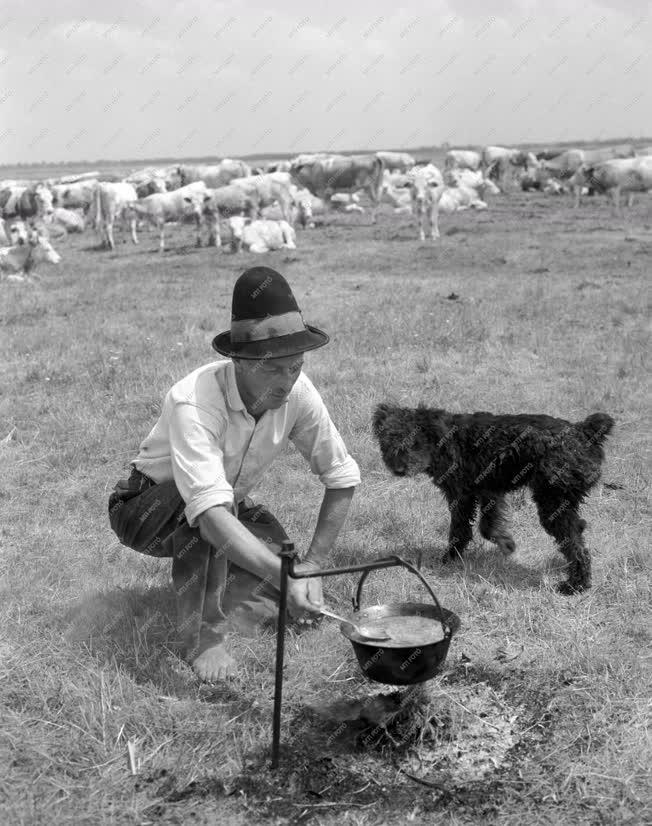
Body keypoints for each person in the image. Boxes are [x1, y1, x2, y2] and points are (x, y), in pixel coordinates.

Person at [108, 266, 360, 681]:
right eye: (273, 369)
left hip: (226, 503)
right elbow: (208, 513)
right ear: (239, 361)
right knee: (205, 524)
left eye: (295, 366)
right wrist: (277, 571)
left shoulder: (298, 392)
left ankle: (236, 600)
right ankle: (204, 640)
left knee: (287, 582)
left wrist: (311, 565)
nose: (287, 381)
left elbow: (342, 476)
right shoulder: (196, 400)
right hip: (146, 508)